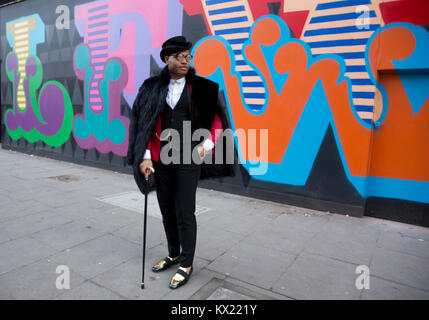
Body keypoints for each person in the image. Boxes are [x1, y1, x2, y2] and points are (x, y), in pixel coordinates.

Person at [127, 36, 234, 289]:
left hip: (189, 158)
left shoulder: (204, 88)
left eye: (189, 56)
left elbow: (218, 121)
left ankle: (186, 263)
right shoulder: (151, 88)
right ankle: (173, 253)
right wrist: (144, 157)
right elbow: (143, 124)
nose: (186, 60)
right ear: (167, 59)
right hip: (161, 159)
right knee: (166, 211)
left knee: (185, 211)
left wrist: (205, 146)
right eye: (180, 56)